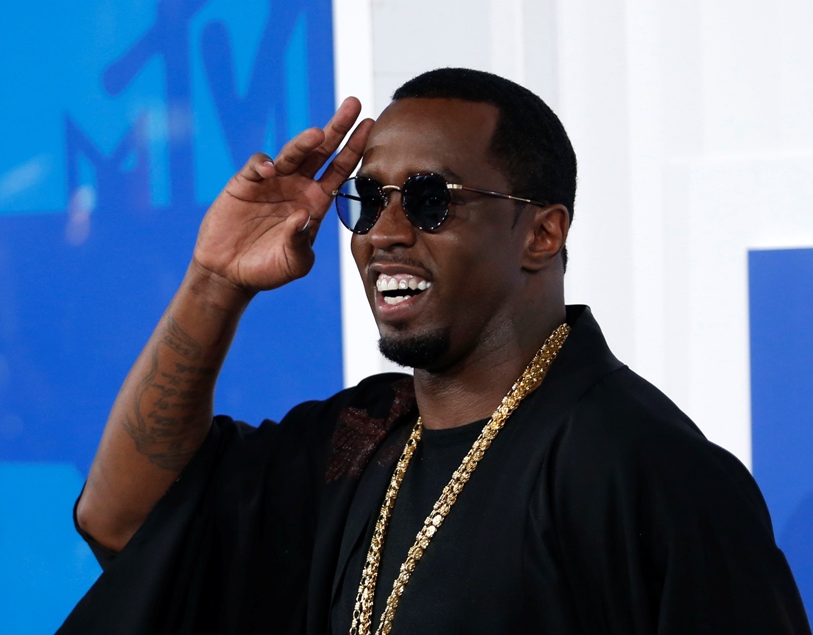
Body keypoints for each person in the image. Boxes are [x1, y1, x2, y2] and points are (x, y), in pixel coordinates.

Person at [59, 68, 811, 634]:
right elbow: (125, 519)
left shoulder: (644, 469)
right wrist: (214, 280)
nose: (385, 231)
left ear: (542, 234)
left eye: (428, 198)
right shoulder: (357, 443)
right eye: (368, 198)